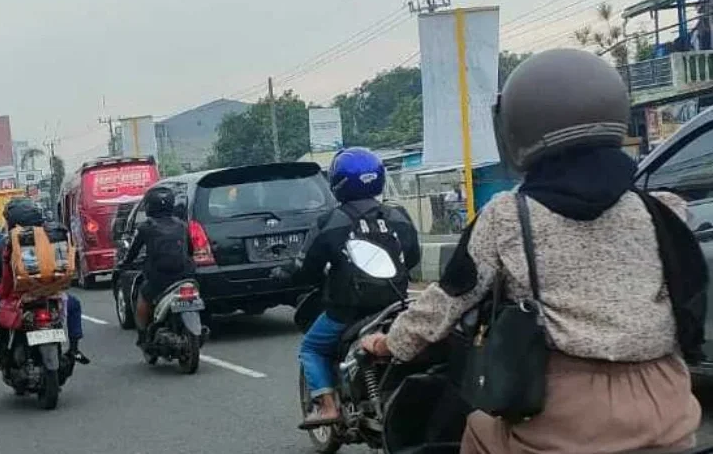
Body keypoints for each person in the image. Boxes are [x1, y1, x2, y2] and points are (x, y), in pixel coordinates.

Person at [359, 48, 703, 454]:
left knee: (477, 430)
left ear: (519, 129)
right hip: (669, 408)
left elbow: (447, 300)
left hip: (566, 416)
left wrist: (390, 343)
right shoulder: (665, 209)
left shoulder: (508, 216)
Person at [275, 146, 420, 429]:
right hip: (395, 306)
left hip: (347, 311)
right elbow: (412, 257)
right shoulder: (398, 216)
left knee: (311, 348)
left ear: (338, 182)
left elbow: (309, 268)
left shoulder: (332, 221)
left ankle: (328, 406)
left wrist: (285, 274)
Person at [0, 197, 87, 373]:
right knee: (75, 304)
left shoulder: (3, 245)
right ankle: (75, 348)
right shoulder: (54, 237)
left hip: (17, 300)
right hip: (53, 296)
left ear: (12, 222)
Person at [114, 186, 195, 347]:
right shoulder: (182, 225)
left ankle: (143, 335)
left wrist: (124, 264)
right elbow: (191, 250)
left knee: (143, 298)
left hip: (159, 279)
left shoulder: (145, 227)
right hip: (185, 275)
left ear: (149, 206)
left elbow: (132, 252)